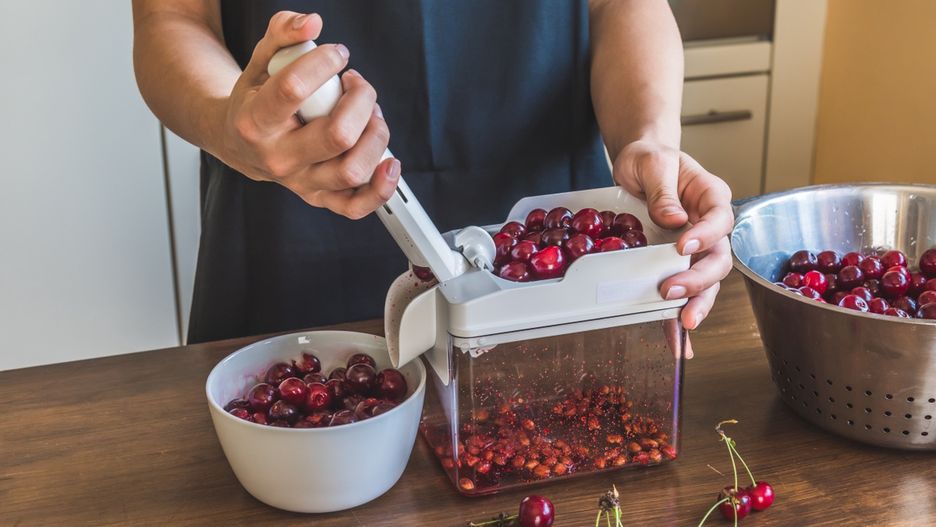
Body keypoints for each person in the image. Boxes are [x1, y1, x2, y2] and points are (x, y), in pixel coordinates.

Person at [131, 1, 733, 353]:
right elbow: (174, 18)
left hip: (555, 249)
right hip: (289, 220)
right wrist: (227, 120)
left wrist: (650, 139)